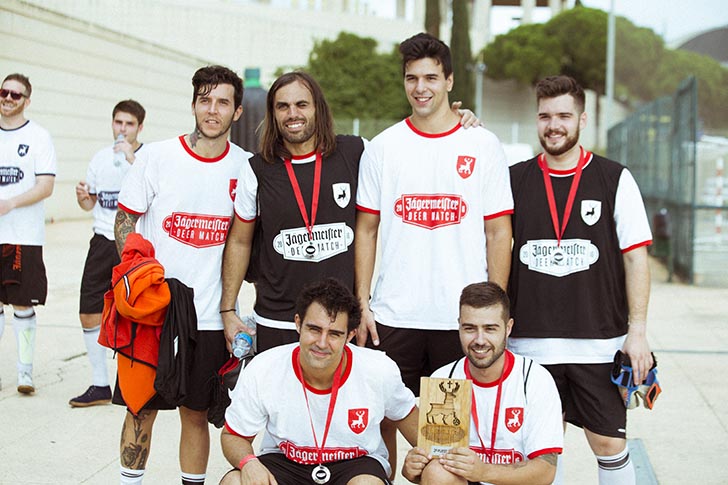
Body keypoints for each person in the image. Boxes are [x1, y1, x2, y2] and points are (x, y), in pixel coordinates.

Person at [221, 71, 480, 354]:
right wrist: (228, 309)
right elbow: (240, 241)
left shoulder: (356, 152)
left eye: (301, 104)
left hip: (340, 323)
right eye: (283, 106)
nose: (292, 114)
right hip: (277, 320)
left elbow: (411, 149)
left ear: (318, 108)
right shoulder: (257, 169)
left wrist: (450, 120)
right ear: (273, 114)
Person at [507, 75, 653, 485]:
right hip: (530, 343)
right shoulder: (513, 178)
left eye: (564, 116)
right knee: (539, 451)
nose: (554, 125)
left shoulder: (614, 178)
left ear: (582, 119)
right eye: (545, 116)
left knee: (609, 444)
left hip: (599, 342)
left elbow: (636, 259)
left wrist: (637, 332)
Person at [113, 65, 252, 485]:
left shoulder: (245, 168)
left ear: (237, 111)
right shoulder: (157, 156)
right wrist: (137, 277)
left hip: (208, 317)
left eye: (222, 102)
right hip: (153, 314)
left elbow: (244, 240)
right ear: (193, 105)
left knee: (195, 415)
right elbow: (125, 221)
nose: (212, 110)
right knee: (140, 409)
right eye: (205, 100)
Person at [355, 32, 513, 395]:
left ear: (449, 81)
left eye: (431, 78)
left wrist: (494, 309)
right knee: (390, 417)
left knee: (450, 422)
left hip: (460, 318)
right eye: (412, 78)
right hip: (394, 316)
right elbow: (366, 230)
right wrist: (363, 303)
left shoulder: (483, 144)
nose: (420, 88)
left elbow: (498, 233)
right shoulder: (383, 147)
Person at [220, 277, 419, 485]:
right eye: (314, 329)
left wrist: (426, 460)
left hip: (356, 464)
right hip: (286, 462)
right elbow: (233, 435)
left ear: (350, 335)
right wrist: (249, 463)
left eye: (334, 334)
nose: (322, 343)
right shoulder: (265, 368)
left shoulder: (378, 369)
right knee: (234, 481)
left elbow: (416, 426)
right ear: (298, 323)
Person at [403, 282, 563, 485]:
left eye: (490, 329)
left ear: (508, 328)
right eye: (470, 328)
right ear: (459, 326)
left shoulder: (535, 379)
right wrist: (412, 469)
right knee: (436, 472)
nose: (479, 340)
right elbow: (433, 462)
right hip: (467, 481)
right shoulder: (443, 379)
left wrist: (484, 472)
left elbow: (546, 471)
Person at [70, 99, 146, 407]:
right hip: (102, 240)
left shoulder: (147, 157)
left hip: (134, 242)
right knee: (89, 311)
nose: (122, 129)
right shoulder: (100, 158)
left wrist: (132, 159)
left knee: (133, 314)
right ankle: (99, 383)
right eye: (118, 122)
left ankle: (130, 384)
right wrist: (83, 198)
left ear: (140, 127)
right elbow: (91, 203)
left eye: (129, 124)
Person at [0, 73, 56, 394]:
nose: (8, 98)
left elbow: (45, 185)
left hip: (23, 236)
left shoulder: (38, 136)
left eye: (15, 95)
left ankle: (25, 373)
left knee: (22, 305)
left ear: (27, 101)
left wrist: (10, 203)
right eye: (4, 92)